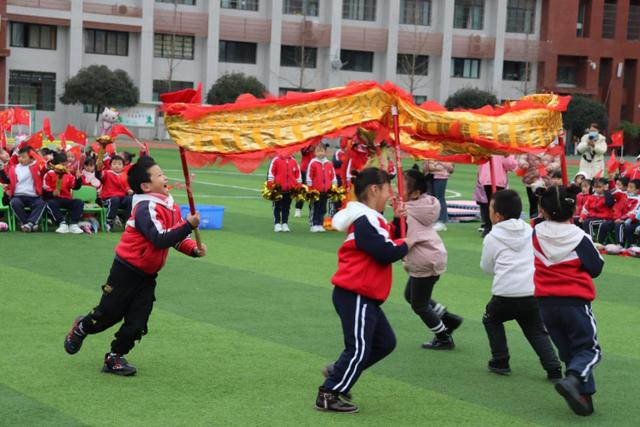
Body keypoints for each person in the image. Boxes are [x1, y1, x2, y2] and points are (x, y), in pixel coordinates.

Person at [63, 156, 207, 376]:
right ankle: (82, 326)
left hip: (148, 276)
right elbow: (159, 238)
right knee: (107, 316)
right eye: (159, 175)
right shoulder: (145, 207)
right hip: (125, 272)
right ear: (146, 186)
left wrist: (192, 249)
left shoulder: (170, 205)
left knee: (138, 322)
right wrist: (188, 225)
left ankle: (115, 357)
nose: (165, 177)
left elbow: (173, 237)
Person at [316, 168, 411, 413]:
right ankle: (329, 392)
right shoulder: (365, 219)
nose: (391, 194)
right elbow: (384, 251)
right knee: (358, 348)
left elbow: (386, 239)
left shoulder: (370, 219)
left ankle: (339, 373)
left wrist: (399, 223)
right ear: (374, 189)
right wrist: (408, 244)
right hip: (356, 292)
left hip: (362, 294)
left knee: (385, 342)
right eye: (388, 188)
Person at [533, 186, 604, 416]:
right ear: (573, 208)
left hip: (545, 303)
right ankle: (573, 381)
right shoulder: (579, 236)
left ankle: (584, 396)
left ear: (543, 210)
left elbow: (541, 219)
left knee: (569, 352)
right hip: (574, 302)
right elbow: (595, 267)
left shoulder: (536, 231)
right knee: (589, 350)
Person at [480, 190, 561, 379]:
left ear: (497, 215)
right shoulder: (530, 231)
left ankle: (500, 360)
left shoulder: (492, 237)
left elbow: (486, 267)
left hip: (505, 293)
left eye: (490, 209)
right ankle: (553, 368)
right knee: (535, 329)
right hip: (531, 291)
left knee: (491, 319)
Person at [403, 168, 462, 350]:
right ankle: (448, 319)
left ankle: (443, 336)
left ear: (415, 193)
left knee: (419, 305)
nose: (397, 188)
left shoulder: (408, 210)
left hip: (424, 260)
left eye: (402, 185)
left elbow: (401, 234)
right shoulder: (426, 204)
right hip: (432, 255)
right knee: (411, 295)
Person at [5, 146, 47, 232]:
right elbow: (7, 178)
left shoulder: (38, 166)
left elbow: (45, 169)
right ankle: (29, 224)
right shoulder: (14, 168)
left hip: (34, 196)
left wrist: (38, 157)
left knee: (41, 203)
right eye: (19, 156)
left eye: (24, 157)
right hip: (18, 196)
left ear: (31, 158)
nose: (20, 159)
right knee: (14, 203)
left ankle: (29, 224)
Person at [43, 152, 84, 234]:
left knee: (79, 202)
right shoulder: (49, 174)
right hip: (55, 199)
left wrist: (78, 179)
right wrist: (52, 193)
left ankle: (73, 224)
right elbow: (45, 189)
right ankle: (62, 224)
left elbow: (75, 187)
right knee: (51, 203)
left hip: (67, 198)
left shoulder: (68, 174)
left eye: (66, 164)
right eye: (62, 164)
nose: (65, 167)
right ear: (56, 164)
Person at [478, 155, 518, 236]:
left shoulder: (486, 146)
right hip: (498, 179)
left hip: (485, 178)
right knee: (499, 205)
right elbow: (510, 164)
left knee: (488, 204)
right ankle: (496, 228)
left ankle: (488, 227)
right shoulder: (502, 149)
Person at [267, 153, 301, 232]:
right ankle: (277, 223)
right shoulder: (276, 160)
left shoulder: (294, 161)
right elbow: (271, 173)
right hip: (278, 189)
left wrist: (299, 184)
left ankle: (285, 223)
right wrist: (270, 183)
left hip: (289, 189)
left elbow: (298, 174)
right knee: (277, 206)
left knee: (287, 207)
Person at [306, 144, 337, 232]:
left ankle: (320, 223)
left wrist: (334, 186)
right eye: (318, 151)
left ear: (325, 152)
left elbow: (333, 176)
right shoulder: (313, 163)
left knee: (323, 208)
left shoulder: (329, 163)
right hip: (315, 190)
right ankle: (313, 224)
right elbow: (309, 177)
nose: (320, 153)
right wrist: (310, 189)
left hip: (326, 190)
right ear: (315, 153)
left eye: (322, 151)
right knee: (315, 207)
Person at [99, 155, 132, 231]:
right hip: (108, 198)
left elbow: (126, 187)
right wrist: (99, 168)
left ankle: (128, 222)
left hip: (120, 198)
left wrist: (129, 190)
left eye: (119, 164)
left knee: (130, 199)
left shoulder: (124, 175)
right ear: (110, 166)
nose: (117, 166)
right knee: (115, 199)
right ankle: (109, 222)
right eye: (114, 164)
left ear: (123, 166)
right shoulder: (107, 173)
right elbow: (100, 175)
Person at [577, 177, 614, 243]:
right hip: (593, 217)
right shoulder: (592, 196)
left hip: (604, 218)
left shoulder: (608, 195)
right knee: (577, 220)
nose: (597, 189)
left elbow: (610, 203)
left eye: (599, 187)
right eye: (596, 187)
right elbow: (586, 208)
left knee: (588, 222)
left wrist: (606, 191)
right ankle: (579, 240)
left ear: (605, 186)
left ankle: (590, 241)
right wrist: (582, 216)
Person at [423, 160, 454, 231]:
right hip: (429, 174)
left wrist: (437, 163)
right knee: (430, 198)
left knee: (439, 197)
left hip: (441, 175)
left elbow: (450, 167)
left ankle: (442, 221)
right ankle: (433, 219)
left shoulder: (444, 152)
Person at [294, 145, 315, 218]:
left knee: (313, 191)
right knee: (302, 190)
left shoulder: (318, 143)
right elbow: (303, 152)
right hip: (304, 170)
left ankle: (312, 210)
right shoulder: (307, 142)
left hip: (314, 171)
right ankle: (298, 209)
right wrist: (310, 148)